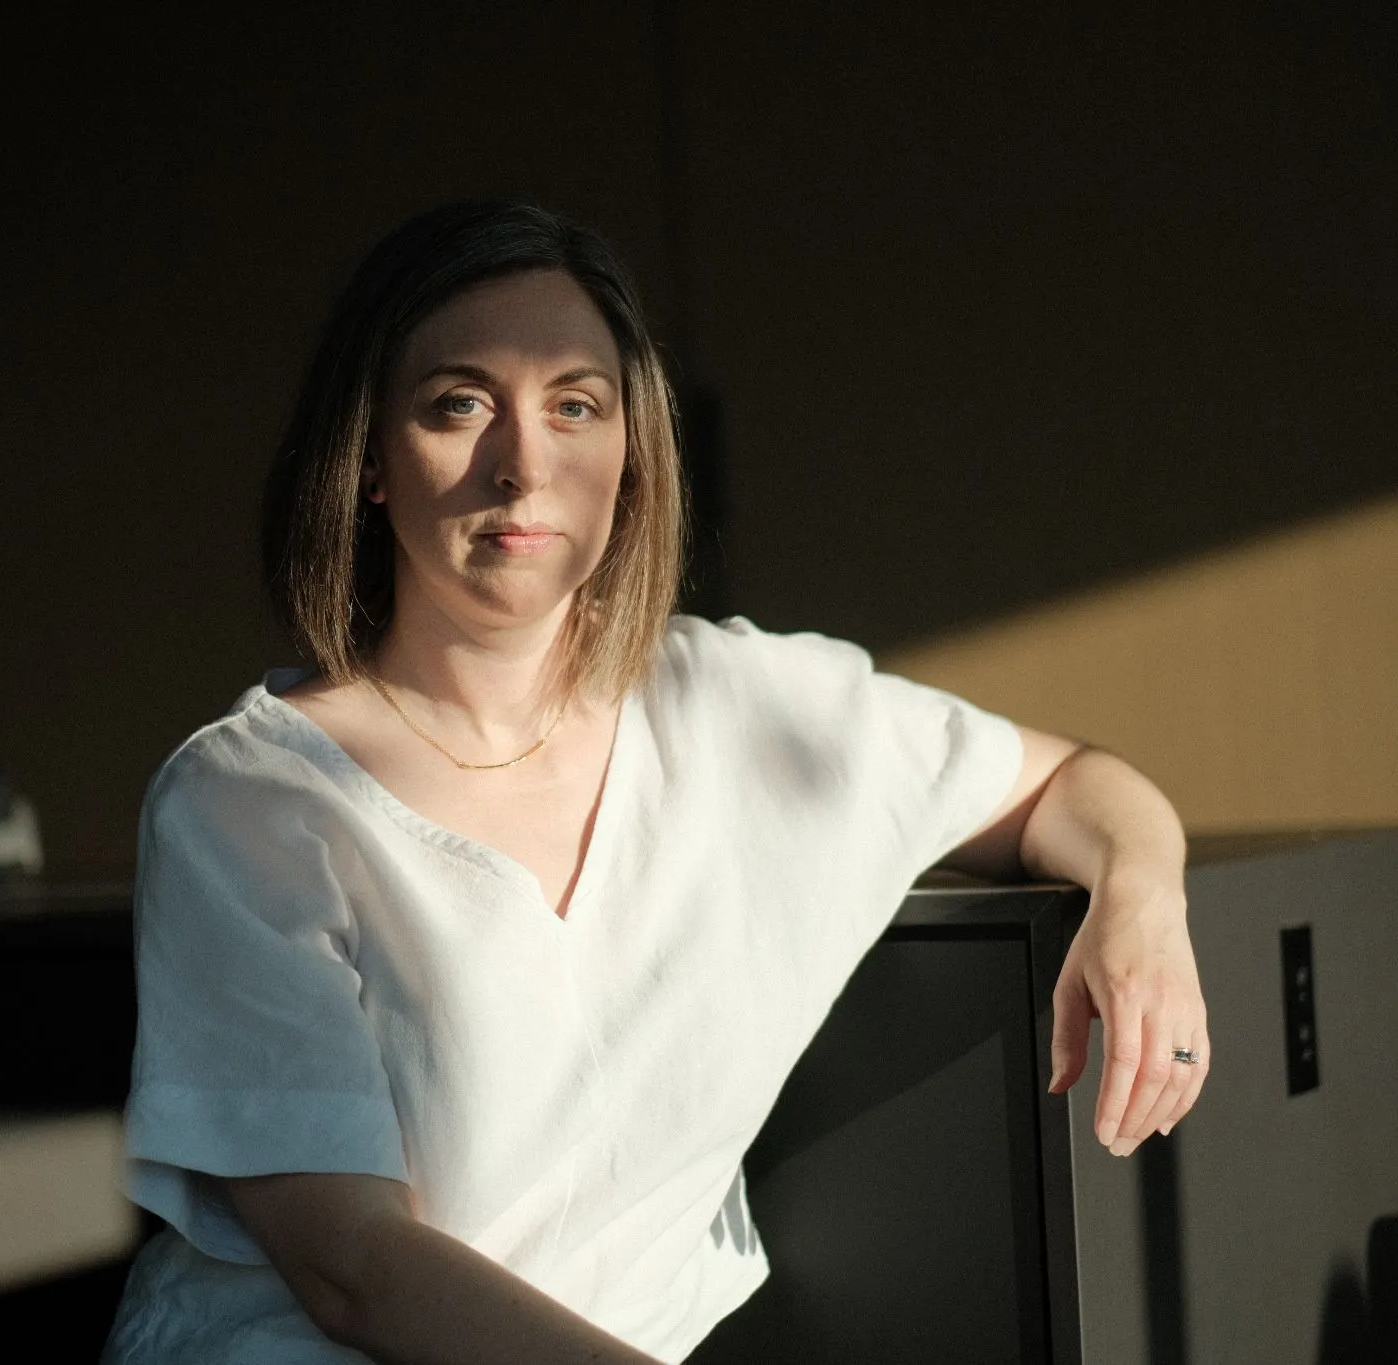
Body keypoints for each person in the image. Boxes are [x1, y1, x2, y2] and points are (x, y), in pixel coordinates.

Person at [99, 200, 1208, 1364]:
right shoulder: (248, 801)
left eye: (573, 405)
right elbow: (351, 1268)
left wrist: (1140, 900)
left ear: (631, 457)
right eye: (457, 403)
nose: (521, 465)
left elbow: (1073, 784)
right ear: (369, 458)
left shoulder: (744, 711)